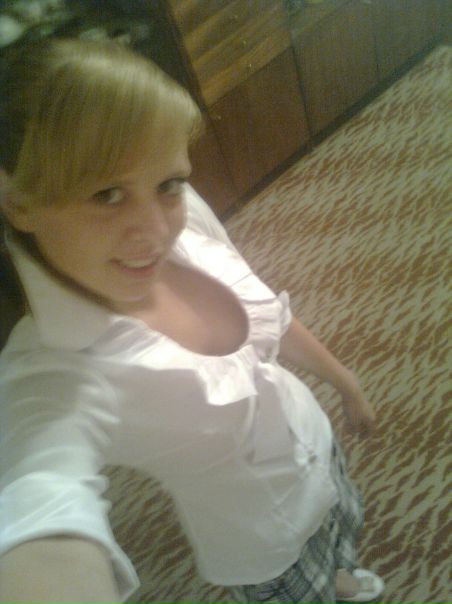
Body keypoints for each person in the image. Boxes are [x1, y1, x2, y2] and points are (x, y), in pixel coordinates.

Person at [0, 38, 384, 604]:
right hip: (266, 538)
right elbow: (40, 494)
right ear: (18, 203)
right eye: (106, 194)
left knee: (339, 530)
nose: (156, 231)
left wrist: (344, 380)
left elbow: (266, 318)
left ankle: (342, 576)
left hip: (315, 440)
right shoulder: (55, 375)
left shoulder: (187, 216)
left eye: (167, 185)